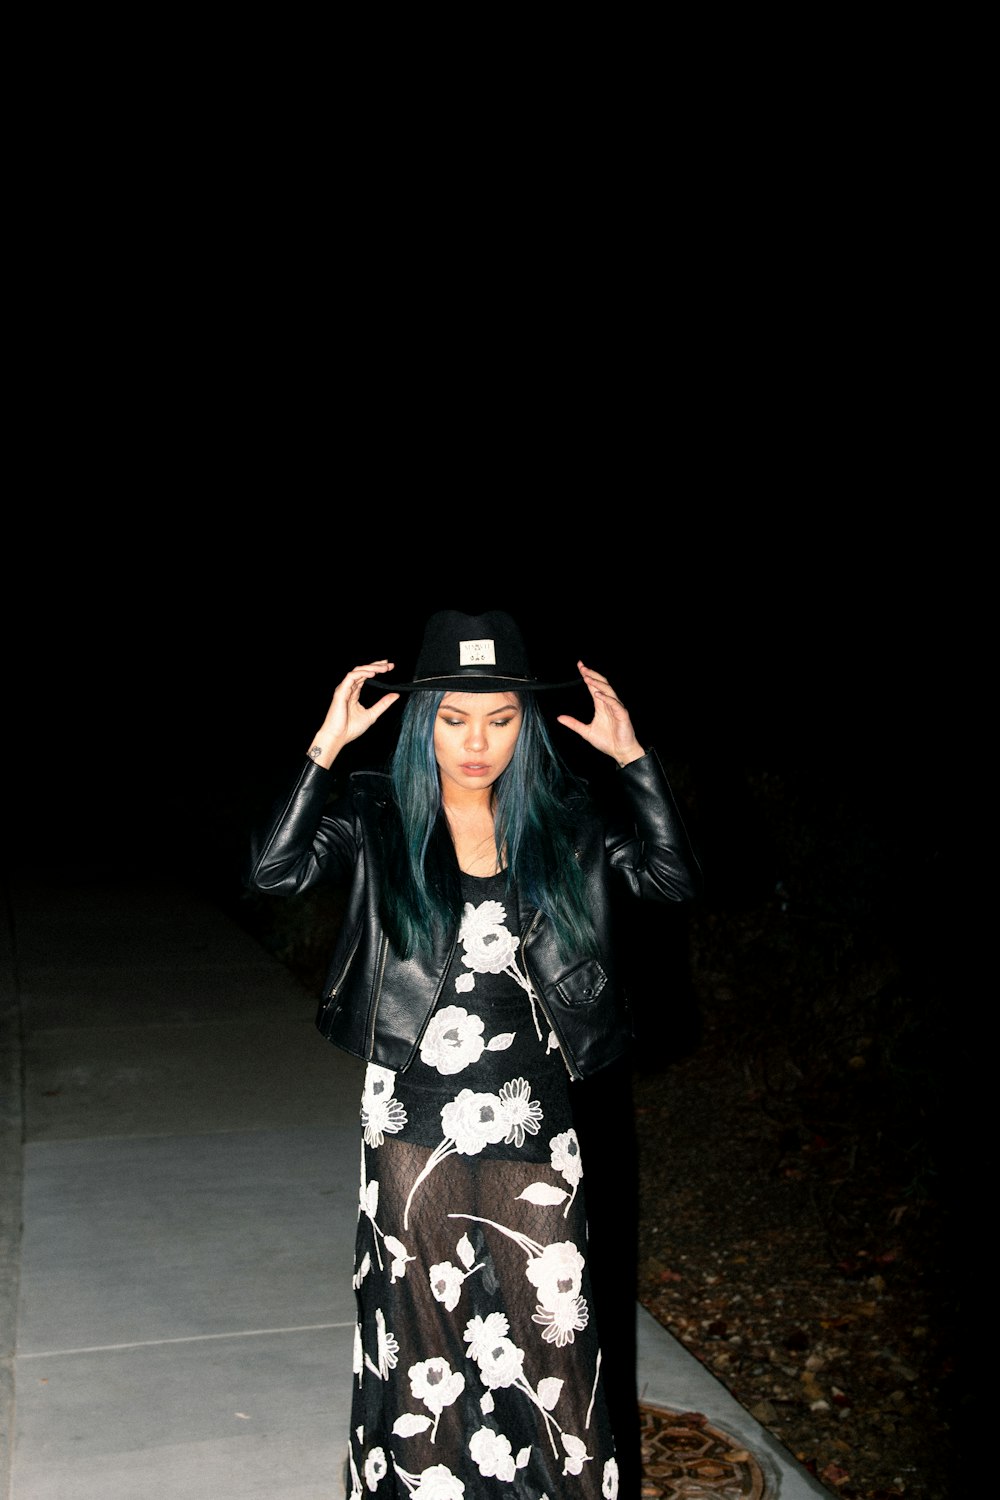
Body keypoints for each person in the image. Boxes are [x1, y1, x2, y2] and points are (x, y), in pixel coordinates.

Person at [246, 610, 702, 1499]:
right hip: (411, 1115)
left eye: (499, 719)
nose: (477, 742)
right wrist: (325, 748)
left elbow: (671, 878)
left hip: (536, 1114)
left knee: (555, 1341)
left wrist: (634, 760)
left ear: (525, 724)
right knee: (422, 1343)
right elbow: (273, 870)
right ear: (425, 721)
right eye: (454, 718)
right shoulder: (378, 811)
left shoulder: (568, 820)